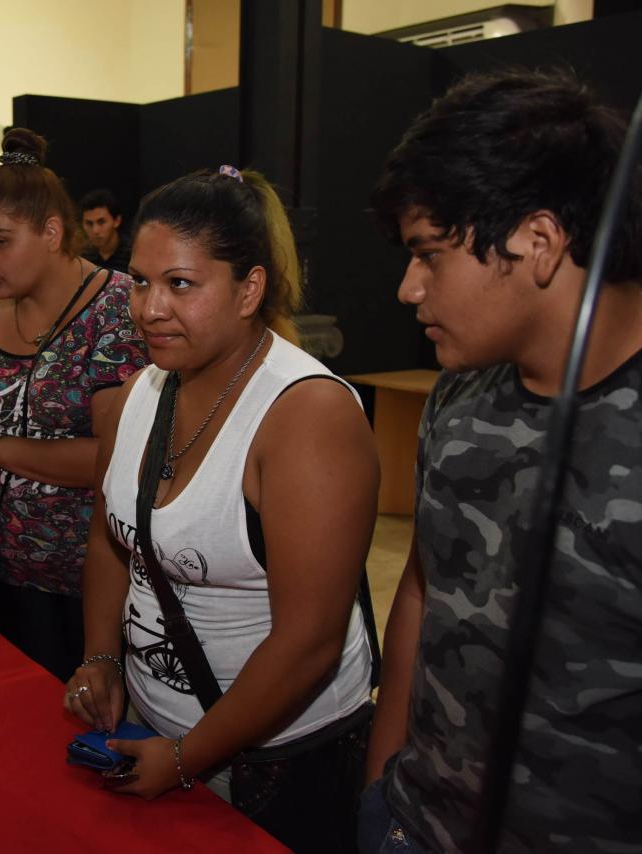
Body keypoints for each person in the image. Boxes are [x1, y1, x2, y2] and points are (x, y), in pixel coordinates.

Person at [360, 69, 642, 853]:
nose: (409, 288)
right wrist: (384, 793)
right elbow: (422, 588)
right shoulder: (461, 397)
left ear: (538, 242)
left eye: (429, 254)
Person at [66, 166, 379, 853]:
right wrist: (102, 656)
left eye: (179, 284)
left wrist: (187, 757)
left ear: (250, 289)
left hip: (279, 757)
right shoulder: (138, 395)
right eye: (140, 281)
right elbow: (109, 539)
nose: (148, 308)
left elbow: (309, 643)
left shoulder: (305, 417)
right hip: (155, 727)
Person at [0, 129, 148, 682]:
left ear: (51, 232)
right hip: (9, 574)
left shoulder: (117, 312)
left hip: (106, 584)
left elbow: (113, 462)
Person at [80, 188, 132, 274]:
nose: (95, 230)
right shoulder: (82, 257)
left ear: (117, 221)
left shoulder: (133, 254)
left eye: (101, 222)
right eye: (89, 223)